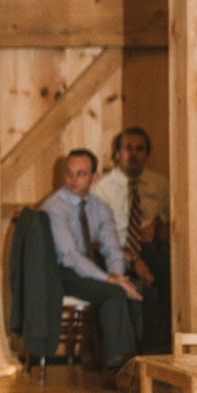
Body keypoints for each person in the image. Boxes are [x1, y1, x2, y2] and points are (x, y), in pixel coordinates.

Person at [41, 149, 142, 377]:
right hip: (61, 273)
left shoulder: (99, 207)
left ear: (94, 177)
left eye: (81, 174)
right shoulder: (54, 207)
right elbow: (70, 256)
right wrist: (111, 281)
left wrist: (118, 275)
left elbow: (112, 249)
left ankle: (138, 360)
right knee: (114, 293)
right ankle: (119, 368)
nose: (73, 179)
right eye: (69, 173)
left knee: (136, 290)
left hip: (86, 269)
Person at [91, 127, 171, 351]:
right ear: (117, 154)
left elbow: (170, 221)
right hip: (113, 251)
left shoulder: (159, 184)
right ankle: (144, 353)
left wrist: (157, 226)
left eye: (140, 149)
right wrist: (134, 260)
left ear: (146, 154)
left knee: (170, 278)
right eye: (128, 148)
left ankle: (166, 348)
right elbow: (98, 238)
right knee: (145, 288)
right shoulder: (102, 189)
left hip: (148, 248)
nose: (133, 154)